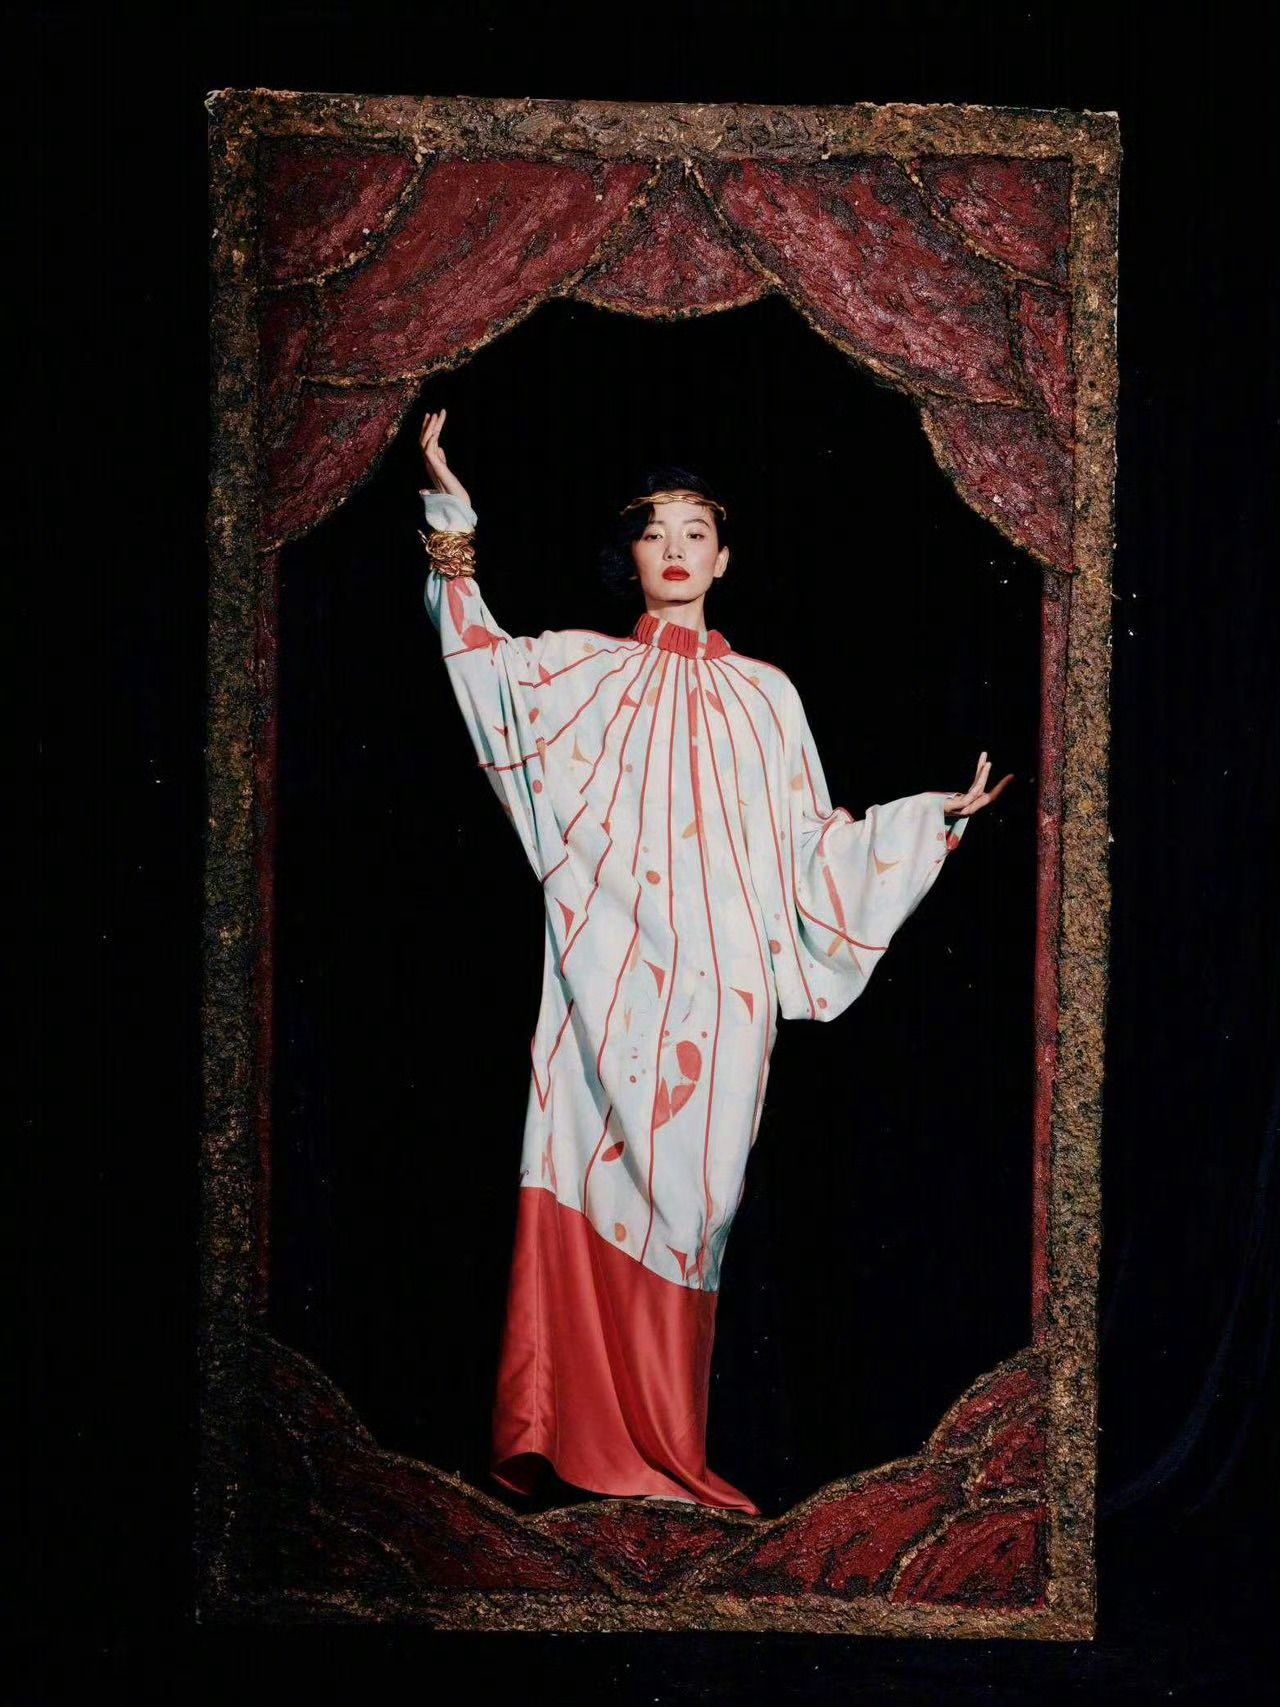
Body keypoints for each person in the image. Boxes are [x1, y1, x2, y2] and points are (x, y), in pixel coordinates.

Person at [416, 408, 1011, 1514]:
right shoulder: (584, 671)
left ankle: (667, 1453)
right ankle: (573, 1445)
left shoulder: (767, 695)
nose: (677, 548)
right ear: (632, 557)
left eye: (696, 531)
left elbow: (812, 846)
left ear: (725, 557)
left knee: (694, 1215)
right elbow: (485, 670)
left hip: (720, 999)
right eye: (655, 532)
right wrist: (452, 518)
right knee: (581, 1176)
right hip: (602, 984)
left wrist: (925, 821)